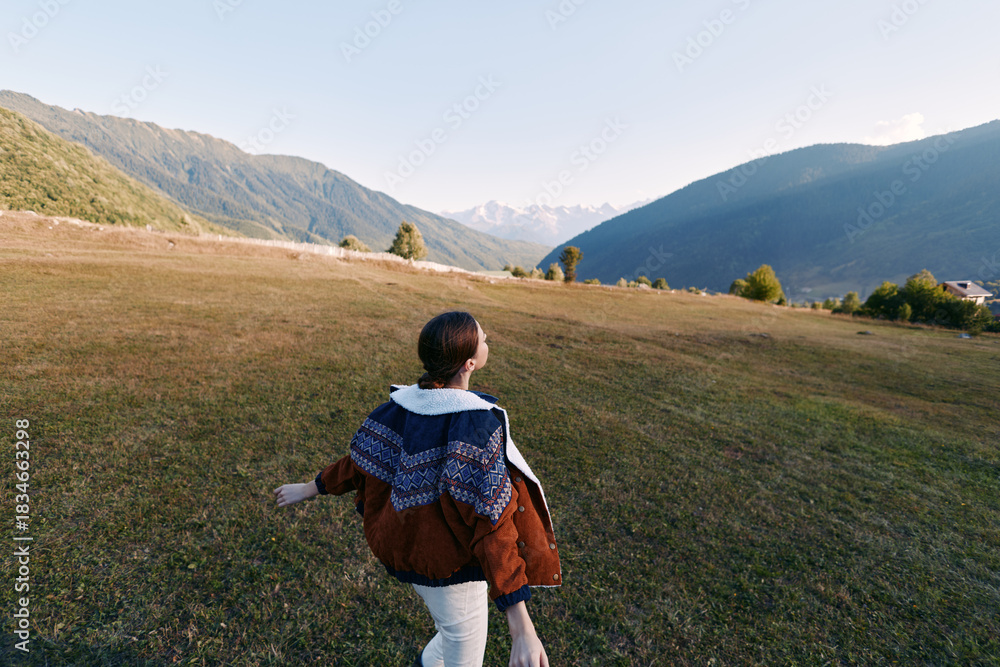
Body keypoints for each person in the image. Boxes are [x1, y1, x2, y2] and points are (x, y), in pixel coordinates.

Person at [274, 311, 561, 667]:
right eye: (484, 339)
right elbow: (491, 522)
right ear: (470, 363)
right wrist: (521, 628)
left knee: (451, 630)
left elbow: (360, 462)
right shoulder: (474, 428)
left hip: (408, 551)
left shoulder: (398, 408)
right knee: (461, 638)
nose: (488, 340)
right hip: (449, 568)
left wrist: (310, 487)